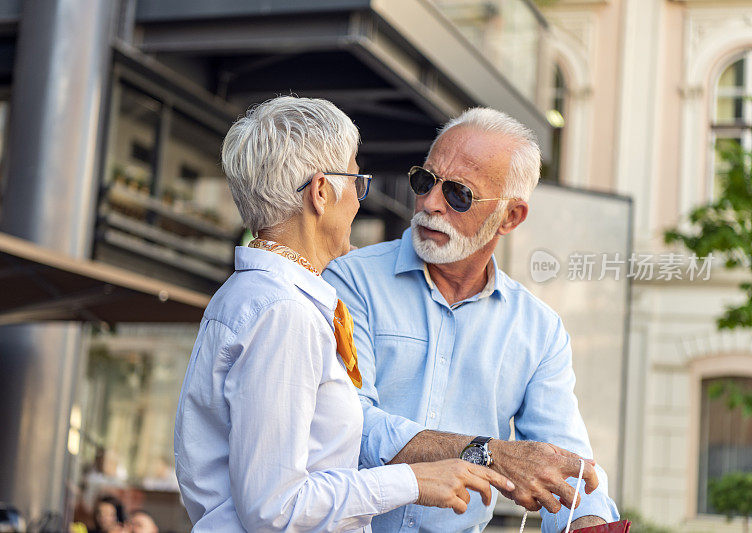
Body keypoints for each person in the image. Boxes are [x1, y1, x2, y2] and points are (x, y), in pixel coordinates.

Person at [173, 96, 515, 532]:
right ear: (320, 193)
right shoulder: (285, 312)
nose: (357, 200)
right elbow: (274, 508)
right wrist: (412, 479)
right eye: (356, 180)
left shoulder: (260, 296)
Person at [323, 107, 621, 533]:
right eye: (424, 181)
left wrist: (589, 520)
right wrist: (487, 452)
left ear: (511, 217)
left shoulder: (540, 330)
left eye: (459, 194)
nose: (429, 203)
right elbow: (350, 424)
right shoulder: (349, 281)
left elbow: (570, 474)